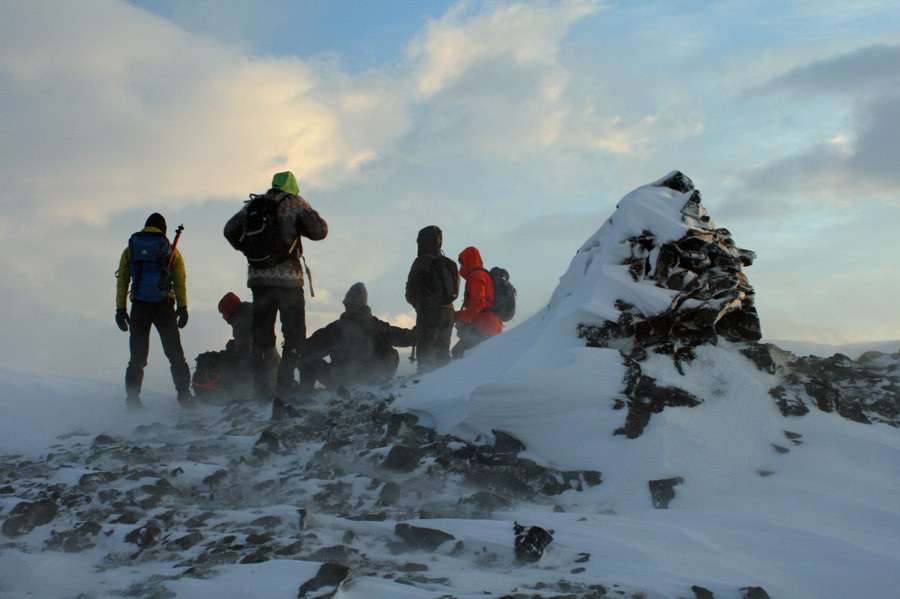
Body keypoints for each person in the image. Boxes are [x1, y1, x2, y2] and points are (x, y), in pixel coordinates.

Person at [224, 171, 327, 398]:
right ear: (292, 186)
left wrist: (248, 251)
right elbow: (319, 231)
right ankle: (285, 384)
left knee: (261, 336)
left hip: (259, 282)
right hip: (288, 281)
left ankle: (262, 389)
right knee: (294, 334)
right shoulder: (294, 203)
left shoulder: (254, 204)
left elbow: (229, 230)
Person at [115, 213, 194, 410]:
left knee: (137, 359)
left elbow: (123, 280)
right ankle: (184, 396)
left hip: (139, 307)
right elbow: (180, 281)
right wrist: (182, 308)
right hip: (164, 306)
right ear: (163, 229)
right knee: (176, 355)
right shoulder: (170, 250)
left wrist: (120, 309)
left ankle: (133, 400)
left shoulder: (131, 248)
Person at [298, 283, 415, 390]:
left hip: (343, 382)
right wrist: (419, 333)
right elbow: (405, 337)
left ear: (348, 305)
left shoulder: (336, 329)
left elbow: (308, 349)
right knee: (393, 352)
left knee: (306, 360)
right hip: (376, 379)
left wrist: (295, 345)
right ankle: (381, 382)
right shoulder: (379, 326)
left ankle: (305, 394)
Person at [405, 225, 459, 373]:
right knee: (443, 351)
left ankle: (426, 391)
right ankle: (447, 387)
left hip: (429, 311)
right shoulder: (450, 263)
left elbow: (410, 291)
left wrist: (417, 303)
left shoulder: (421, 262)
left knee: (426, 352)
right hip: (449, 312)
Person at [452, 246, 502, 359]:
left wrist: (461, 320)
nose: (460, 267)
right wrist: (453, 315)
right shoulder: (483, 275)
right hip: (492, 326)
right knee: (467, 354)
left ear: (468, 262)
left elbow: (478, 303)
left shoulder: (476, 276)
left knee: (458, 353)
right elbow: (480, 306)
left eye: (462, 263)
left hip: (484, 327)